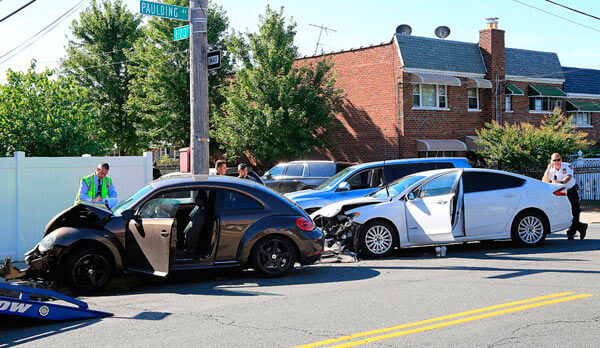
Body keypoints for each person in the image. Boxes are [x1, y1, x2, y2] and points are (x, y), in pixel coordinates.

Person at [542, 153, 587, 240]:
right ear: (551, 161)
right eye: (554, 160)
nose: (556, 162)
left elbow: (568, 177)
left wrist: (561, 183)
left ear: (561, 159)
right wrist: (548, 169)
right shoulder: (551, 169)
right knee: (563, 212)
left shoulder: (567, 166)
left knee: (575, 211)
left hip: (571, 191)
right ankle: (581, 226)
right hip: (559, 193)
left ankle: (571, 232)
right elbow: (544, 180)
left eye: (558, 160)